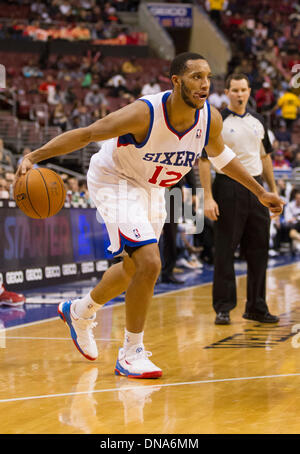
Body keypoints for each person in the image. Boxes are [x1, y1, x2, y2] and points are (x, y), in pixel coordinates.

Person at [15, 53, 283, 378]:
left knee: (132, 268)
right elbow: (88, 133)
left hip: (153, 188)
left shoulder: (210, 118)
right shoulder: (144, 113)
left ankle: (80, 310)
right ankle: (131, 352)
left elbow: (221, 157)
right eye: (196, 76)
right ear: (176, 81)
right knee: (151, 262)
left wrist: (260, 191)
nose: (205, 84)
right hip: (116, 179)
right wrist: (34, 156)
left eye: (208, 76)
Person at [199, 73, 281, 325]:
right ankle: (223, 307)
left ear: (249, 91)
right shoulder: (218, 120)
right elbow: (203, 160)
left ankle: (256, 306)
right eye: (234, 90)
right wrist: (208, 197)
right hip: (227, 186)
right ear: (227, 92)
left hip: (257, 189)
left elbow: (265, 157)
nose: (239, 94)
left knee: (259, 250)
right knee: (225, 249)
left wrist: (273, 190)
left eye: (243, 89)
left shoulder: (259, 120)